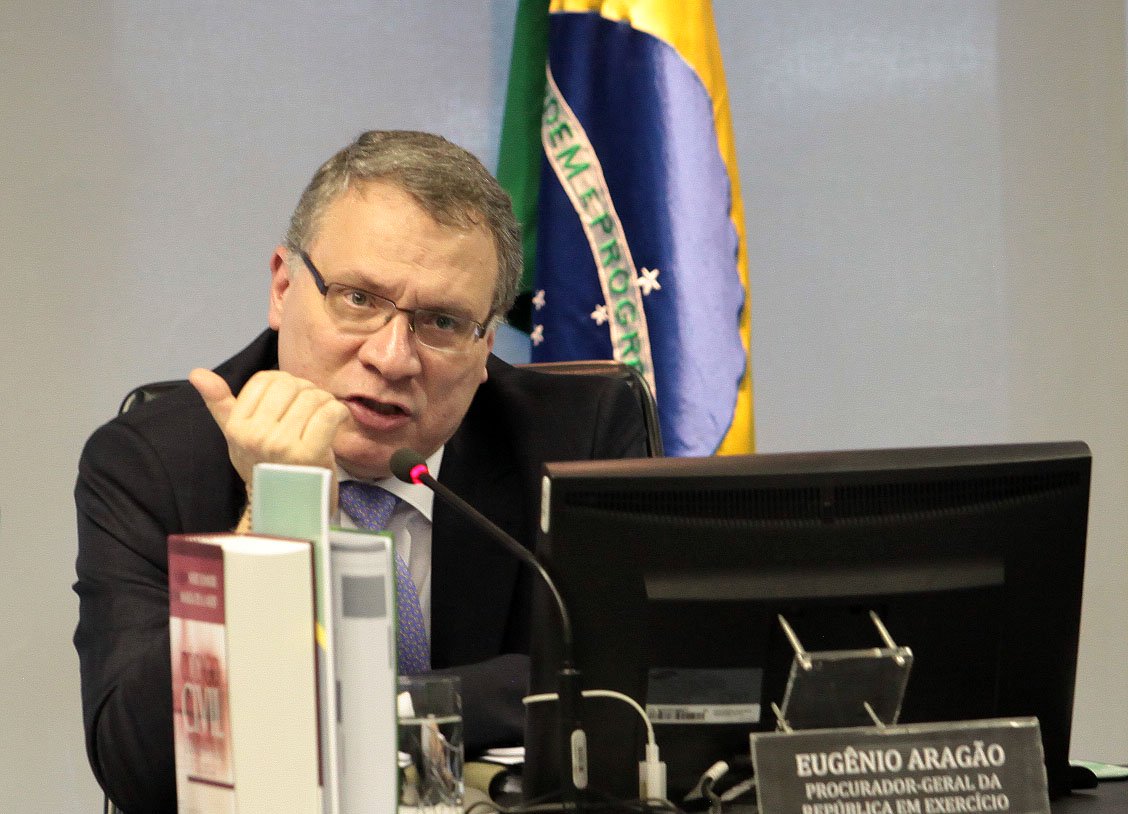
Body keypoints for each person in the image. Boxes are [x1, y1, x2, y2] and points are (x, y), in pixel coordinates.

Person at [74, 130, 648, 812]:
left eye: (440, 321)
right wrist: (275, 520)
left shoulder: (576, 440)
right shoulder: (155, 461)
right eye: (358, 299)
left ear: (487, 342)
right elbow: (139, 766)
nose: (393, 356)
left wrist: (357, 707)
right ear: (285, 288)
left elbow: (622, 689)